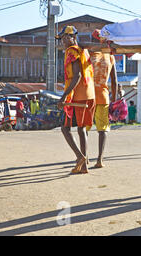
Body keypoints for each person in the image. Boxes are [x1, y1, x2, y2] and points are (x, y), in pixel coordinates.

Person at [56, 25, 96, 174]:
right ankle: (84, 165)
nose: (63, 41)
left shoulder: (72, 51)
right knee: (81, 129)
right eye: (62, 38)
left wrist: (64, 96)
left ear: (74, 37)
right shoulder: (82, 50)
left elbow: (77, 76)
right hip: (88, 93)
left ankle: (80, 157)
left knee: (65, 128)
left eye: (67, 37)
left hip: (79, 95)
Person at [86, 29, 118, 168]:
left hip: (88, 95)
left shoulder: (89, 54)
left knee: (84, 128)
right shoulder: (110, 56)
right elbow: (115, 81)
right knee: (103, 129)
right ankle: (100, 159)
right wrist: (115, 100)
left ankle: (85, 158)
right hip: (103, 96)